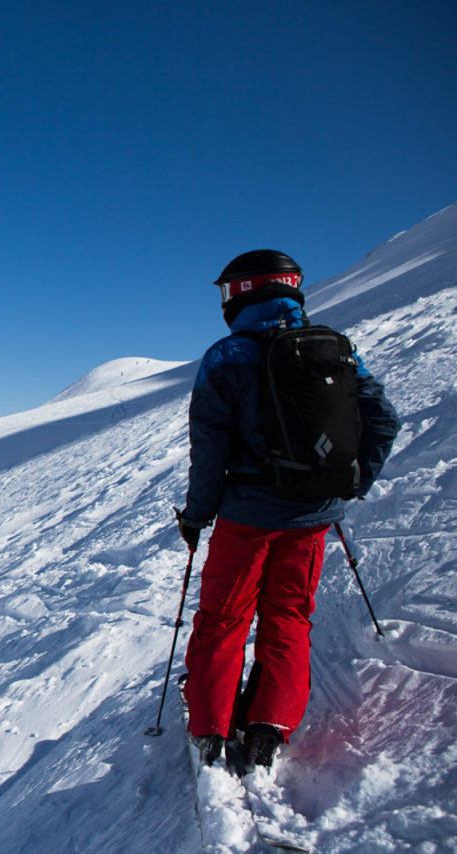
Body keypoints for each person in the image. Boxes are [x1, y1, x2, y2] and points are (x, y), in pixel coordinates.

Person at [176, 249, 398, 769]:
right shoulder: (335, 349)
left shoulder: (227, 357)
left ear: (244, 292)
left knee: (223, 618)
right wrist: (350, 484)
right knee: (289, 617)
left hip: (246, 520)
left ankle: (210, 726)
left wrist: (196, 515)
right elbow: (383, 419)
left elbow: (209, 450)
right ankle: (271, 724)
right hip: (312, 519)